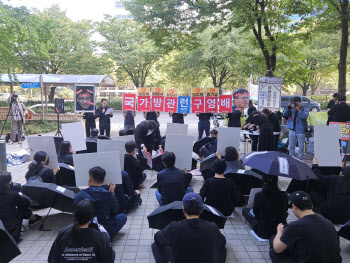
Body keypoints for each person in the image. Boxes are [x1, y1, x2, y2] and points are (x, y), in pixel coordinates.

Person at [152, 193, 227, 263]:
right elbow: (222, 242)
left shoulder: (174, 227)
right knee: (222, 249)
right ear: (201, 210)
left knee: (155, 245)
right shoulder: (212, 227)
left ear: (183, 209)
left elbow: (157, 237)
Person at [270, 191, 341, 263]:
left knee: (273, 248)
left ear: (294, 207)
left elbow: (277, 249)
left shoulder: (295, 226)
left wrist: (280, 231)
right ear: (312, 206)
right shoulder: (328, 223)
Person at [48, 199, 115, 263]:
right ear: (91, 217)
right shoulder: (101, 236)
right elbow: (108, 259)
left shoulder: (63, 233)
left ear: (74, 214)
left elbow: (52, 258)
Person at [73, 166, 127, 241]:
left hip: (84, 229)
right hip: (103, 230)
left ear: (89, 179)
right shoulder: (108, 195)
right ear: (104, 180)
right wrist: (112, 192)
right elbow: (115, 211)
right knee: (122, 217)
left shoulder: (80, 195)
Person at [242, 175, 288, 239]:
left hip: (263, 231)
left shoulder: (259, 195)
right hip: (280, 230)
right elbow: (285, 211)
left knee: (245, 210)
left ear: (264, 182)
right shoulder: (283, 195)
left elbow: (256, 213)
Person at [0, 172, 41, 243]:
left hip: (2, 230)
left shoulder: (11, 194)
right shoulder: (12, 195)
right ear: (7, 183)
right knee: (21, 210)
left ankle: (33, 218)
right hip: (12, 233)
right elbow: (25, 204)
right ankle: (33, 218)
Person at [311, 158, 350, 224]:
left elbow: (318, 178)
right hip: (347, 219)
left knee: (313, 192)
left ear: (341, 173)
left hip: (330, 215)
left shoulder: (335, 179)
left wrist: (315, 165)